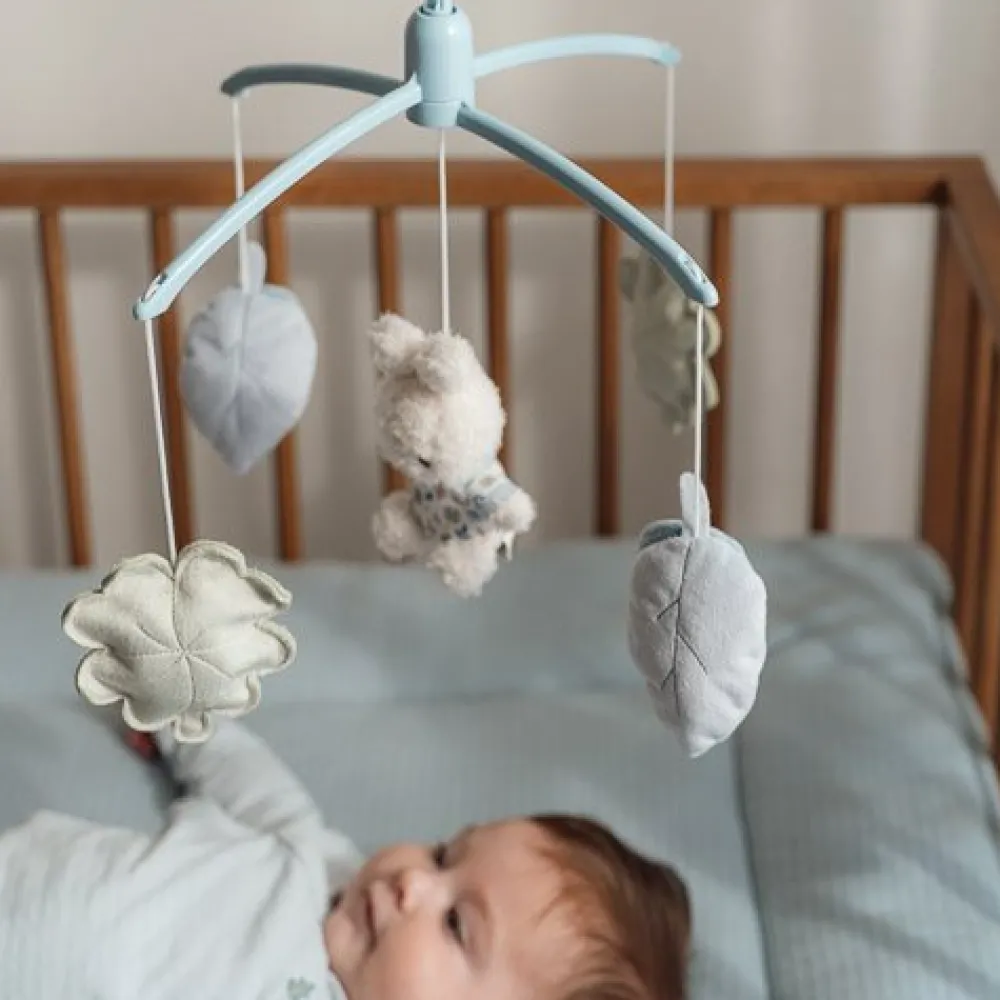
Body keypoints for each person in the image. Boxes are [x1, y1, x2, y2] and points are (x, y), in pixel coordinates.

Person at [0, 719, 691, 1000]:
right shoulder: (320, 858)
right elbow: (249, 777)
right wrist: (183, 716)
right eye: (444, 853)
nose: (413, 880)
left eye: (456, 924)